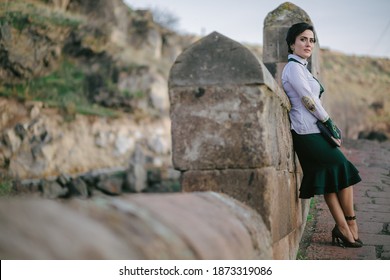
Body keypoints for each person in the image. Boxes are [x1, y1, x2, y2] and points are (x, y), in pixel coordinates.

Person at [281, 22, 363, 248]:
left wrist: (325, 123)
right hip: (306, 133)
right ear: (292, 43)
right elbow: (308, 100)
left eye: (311, 40)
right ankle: (350, 224)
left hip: (313, 131)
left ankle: (343, 229)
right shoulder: (293, 69)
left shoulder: (302, 68)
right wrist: (329, 121)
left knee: (330, 180)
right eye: (303, 39)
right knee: (343, 168)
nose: (308, 44)